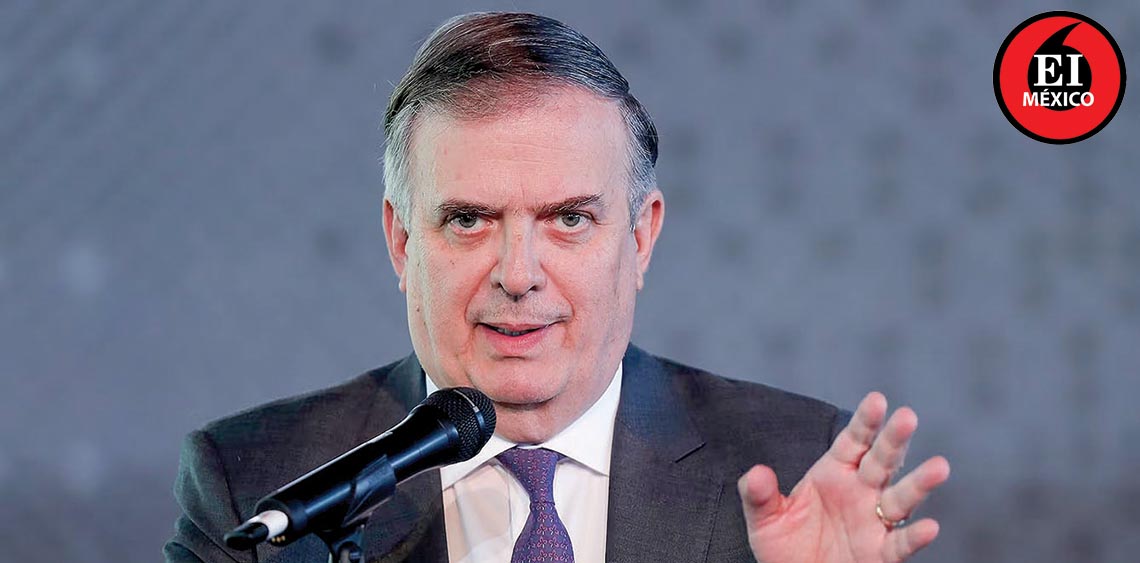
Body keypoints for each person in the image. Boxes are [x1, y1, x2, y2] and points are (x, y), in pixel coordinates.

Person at [165, 12, 950, 563]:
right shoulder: (255, 485)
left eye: (569, 219)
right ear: (402, 240)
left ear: (640, 238)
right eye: (468, 219)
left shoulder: (793, 463)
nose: (518, 273)